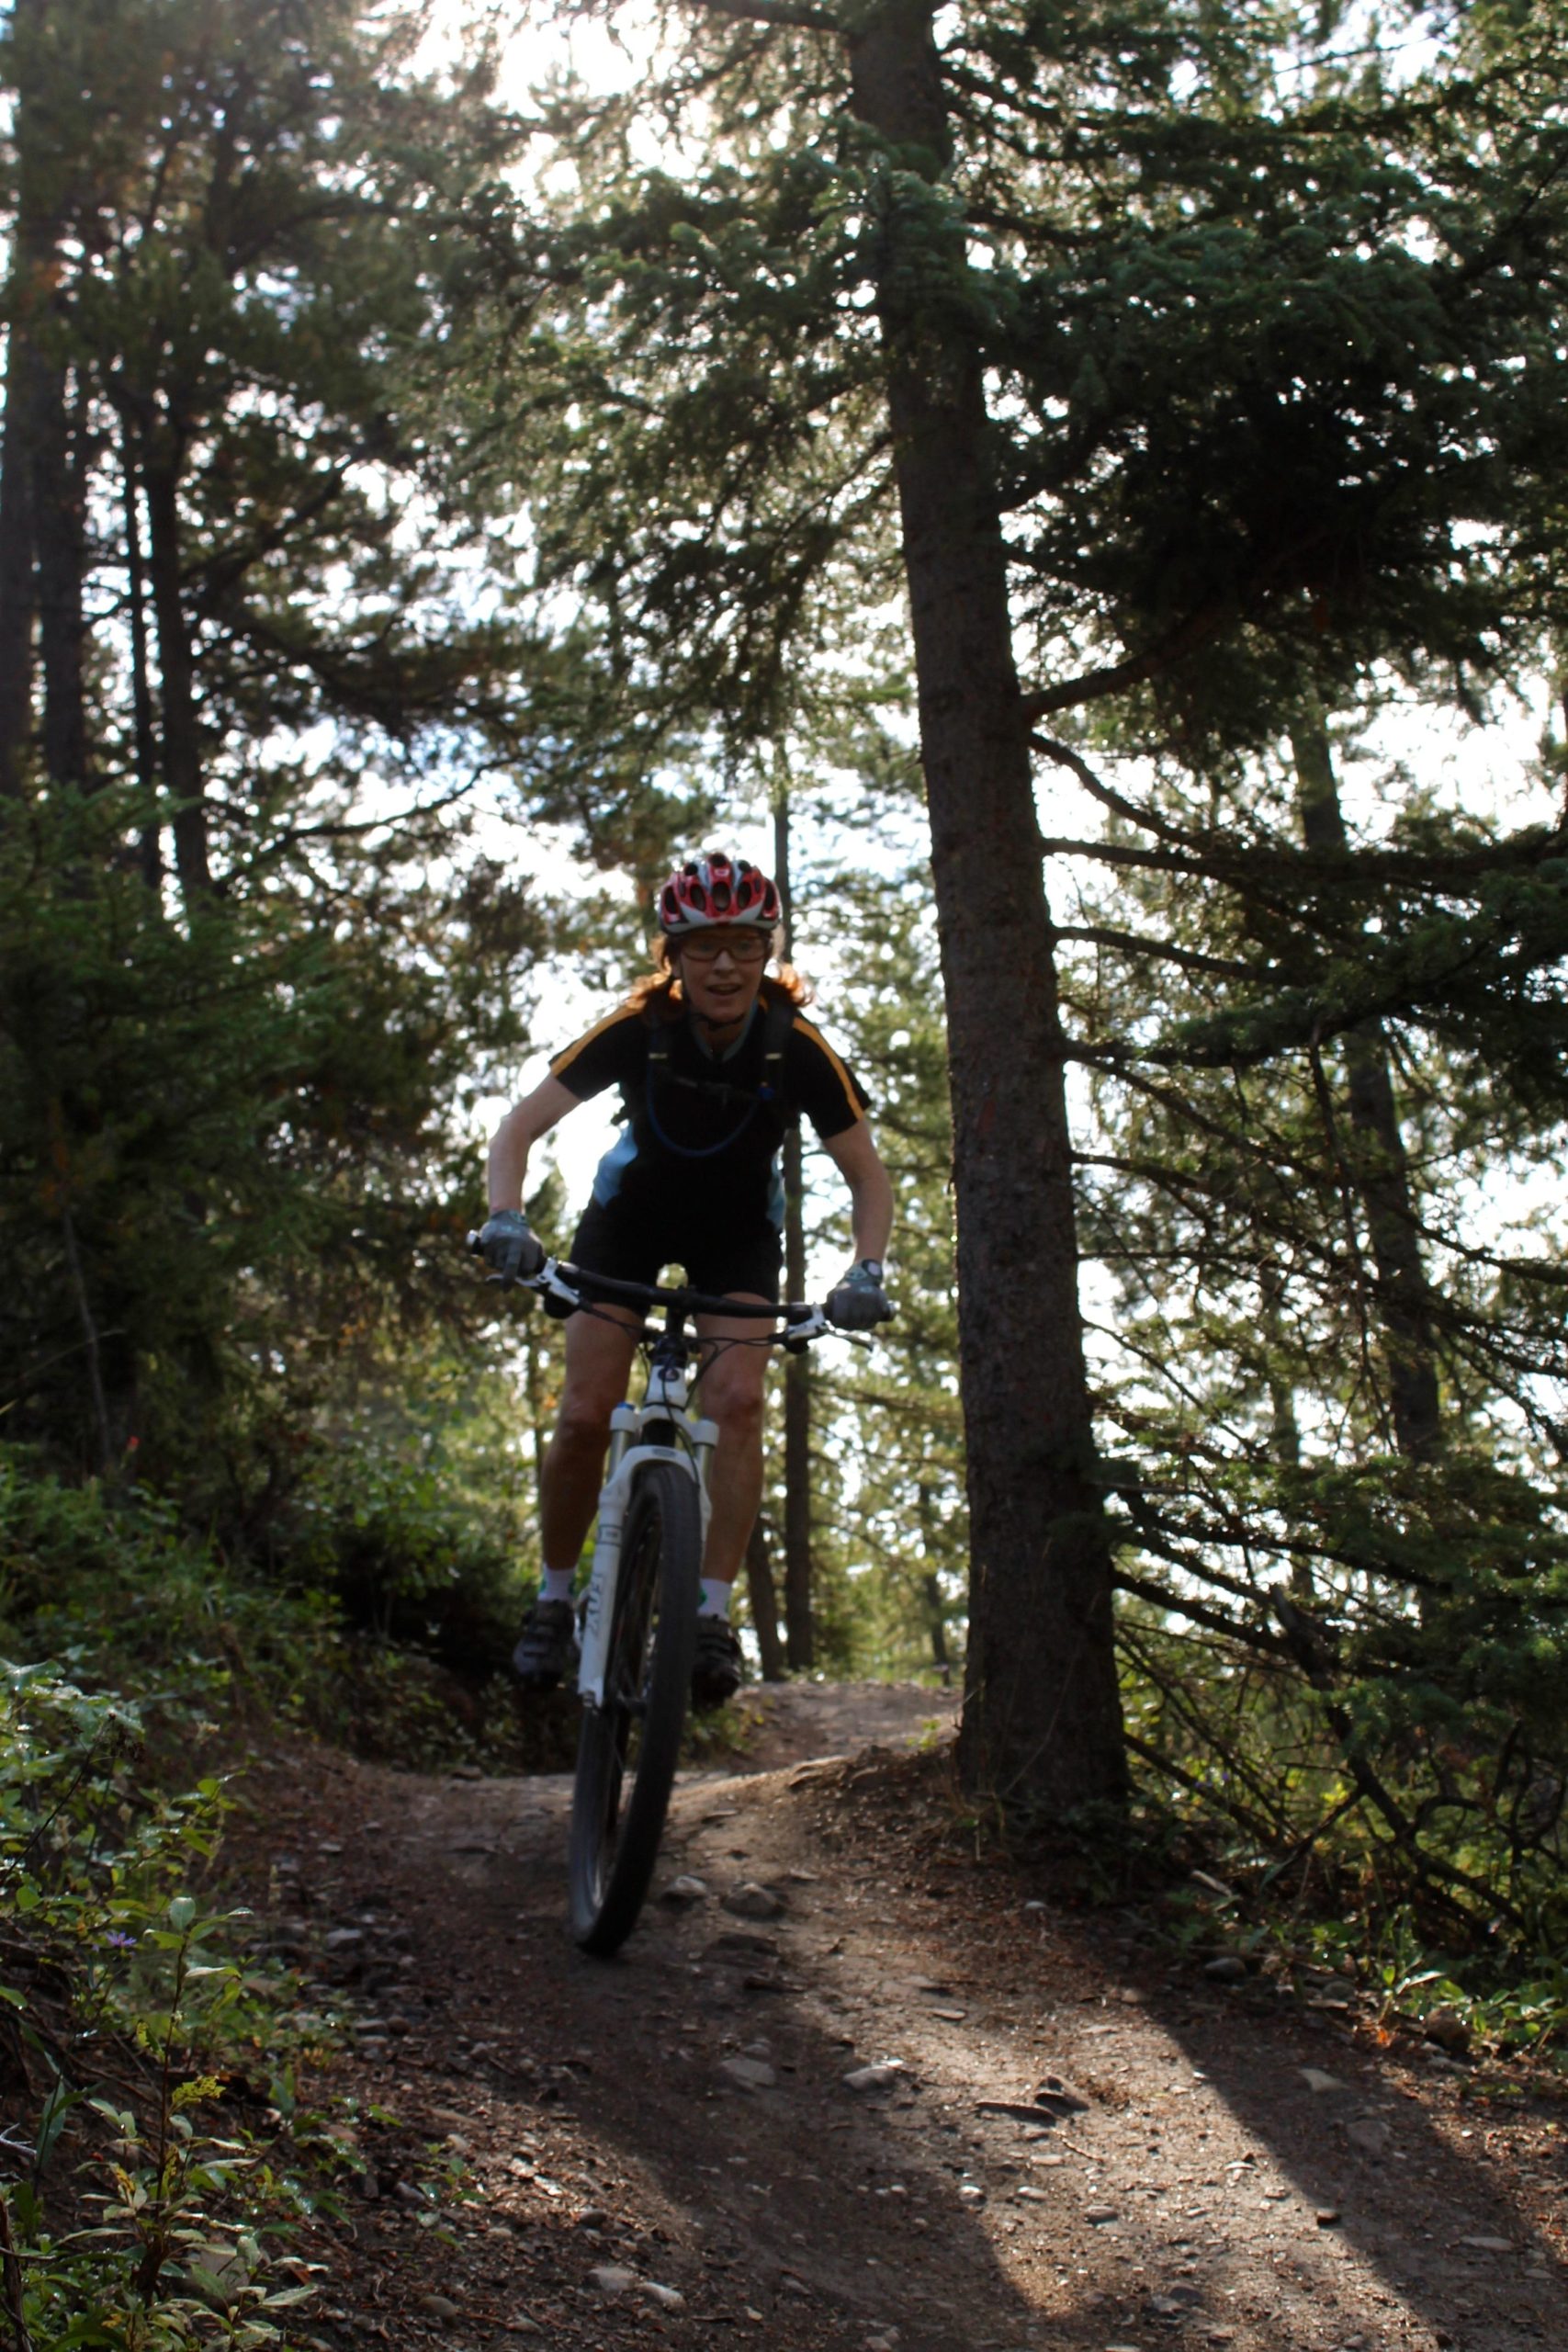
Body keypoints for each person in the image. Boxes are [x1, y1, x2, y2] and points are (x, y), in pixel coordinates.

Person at [479, 851, 894, 1710]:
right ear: (672, 955)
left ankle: (708, 1613)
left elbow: (868, 1177)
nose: (725, 964)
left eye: (744, 944)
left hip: (738, 1238)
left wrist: (866, 1270)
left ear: (766, 952)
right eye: (704, 946)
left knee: (738, 1403)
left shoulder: (796, 1045)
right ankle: (554, 1597)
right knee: (587, 1410)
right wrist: (508, 1219)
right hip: (626, 1225)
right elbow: (518, 1129)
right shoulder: (640, 1027)